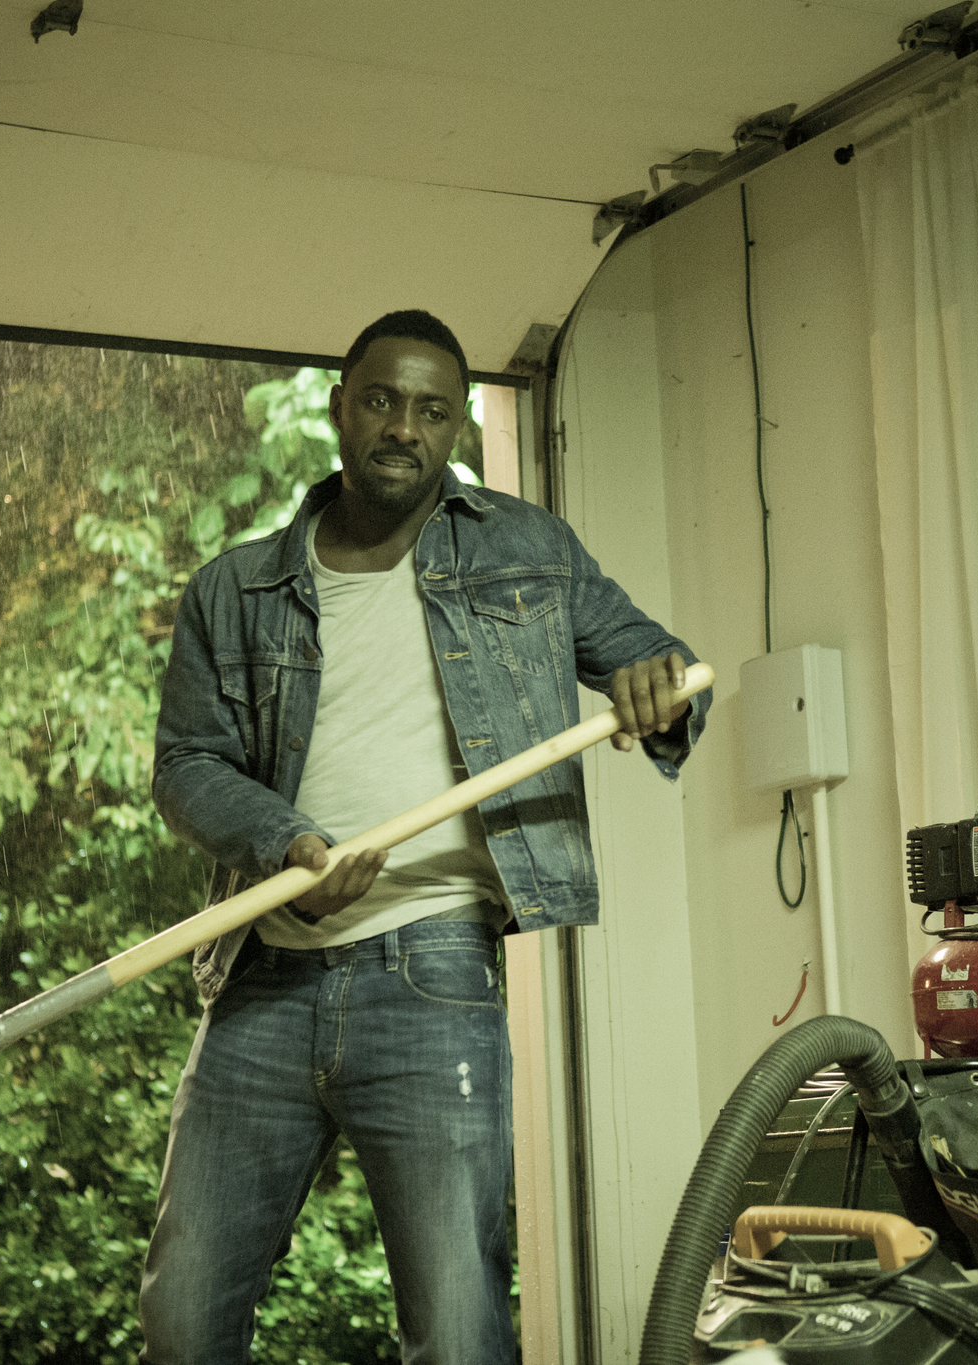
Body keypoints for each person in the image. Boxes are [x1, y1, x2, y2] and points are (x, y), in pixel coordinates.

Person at [142, 309, 708, 1364]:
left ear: (455, 427)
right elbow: (185, 767)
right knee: (181, 1322)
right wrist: (285, 846)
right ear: (339, 408)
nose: (404, 426)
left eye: (432, 410)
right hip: (263, 978)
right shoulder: (234, 588)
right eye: (382, 400)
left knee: (455, 1332)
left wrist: (658, 687)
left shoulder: (525, 549)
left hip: (432, 971)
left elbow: (656, 661)